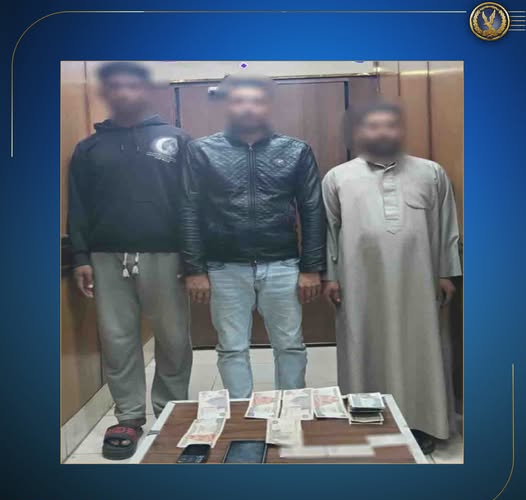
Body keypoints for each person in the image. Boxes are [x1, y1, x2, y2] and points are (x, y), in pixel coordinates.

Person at [68, 62, 192, 460]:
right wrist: (81, 256)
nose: (124, 93)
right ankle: (129, 416)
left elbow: (192, 203)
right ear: (107, 93)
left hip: (166, 254)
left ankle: (171, 410)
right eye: (116, 87)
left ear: (146, 92)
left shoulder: (177, 140)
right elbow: (78, 207)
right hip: (106, 255)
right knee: (117, 338)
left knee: (173, 337)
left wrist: (194, 259)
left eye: (132, 86)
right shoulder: (89, 148)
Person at [322, 101, 462, 454]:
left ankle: (421, 423)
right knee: (362, 344)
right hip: (359, 283)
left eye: (389, 125)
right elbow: (329, 232)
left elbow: (446, 226)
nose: (382, 132)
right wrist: (331, 276)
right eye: (373, 126)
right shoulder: (338, 178)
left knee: (422, 347)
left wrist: (446, 272)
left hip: (420, 281)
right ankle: (368, 421)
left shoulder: (431, 173)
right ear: (359, 133)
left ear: (400, 131)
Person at [181, 75, 326, 399]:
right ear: (227, 106)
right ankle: (240, 415)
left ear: (269, 106)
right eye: (239, 101)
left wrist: (311, 267)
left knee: (290, 344)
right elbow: (188, 211)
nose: (248, 108)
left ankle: (290, 408)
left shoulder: (296, 150)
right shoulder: (201, 151)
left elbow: (312, 210)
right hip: (223, 266)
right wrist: (194, 269)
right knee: (232, 347)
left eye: (256, 101)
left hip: (283, 264)